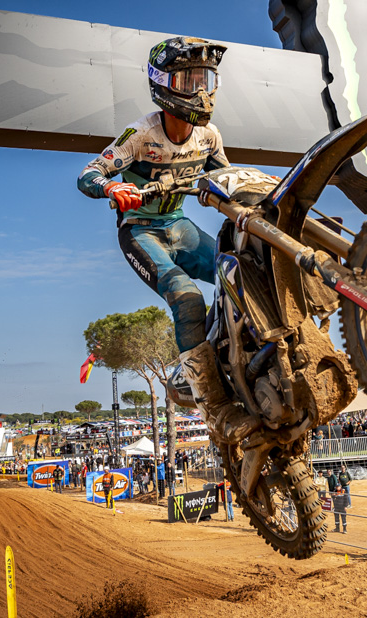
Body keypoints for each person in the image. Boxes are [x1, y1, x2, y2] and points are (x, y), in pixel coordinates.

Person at [77, 36, 259, 446]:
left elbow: (228, 180)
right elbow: (88, 175)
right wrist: (112, 188)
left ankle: (236, 356)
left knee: (242, 268)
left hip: (179, 225)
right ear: (162, 84)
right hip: (140, 230)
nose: (199, 91)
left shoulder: (209, 136)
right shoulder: (141, 134)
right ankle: (212, 403)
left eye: (205, 80)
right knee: (187, 296)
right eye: (187, 81)